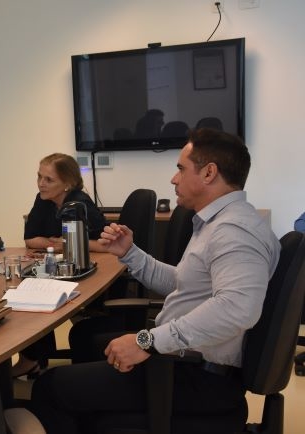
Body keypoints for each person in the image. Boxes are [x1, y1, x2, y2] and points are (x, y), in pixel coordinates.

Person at [29, 128, 280, 433]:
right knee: (89, 343)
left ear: (209, 173)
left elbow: (237, 308)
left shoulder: (235, 232)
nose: (174, 179)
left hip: (197, 376)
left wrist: (147, 341)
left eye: (180, 169)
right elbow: (180, 283)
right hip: (186, 360)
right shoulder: (218, 224)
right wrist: (130, 253)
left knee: (50, 387)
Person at [12, 153, 107, 377]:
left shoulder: (80, 204)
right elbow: (30, 239)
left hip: (90, 276)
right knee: (29, 293)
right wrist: (60, 244)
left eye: (49, 180)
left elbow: (106, 245)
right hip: (59, 269)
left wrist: (65, 245)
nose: (41, 184)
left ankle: (34, 360)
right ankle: (33, 359)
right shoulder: (42, 200)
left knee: (38, 295)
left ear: (68, 183)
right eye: (39, 177)